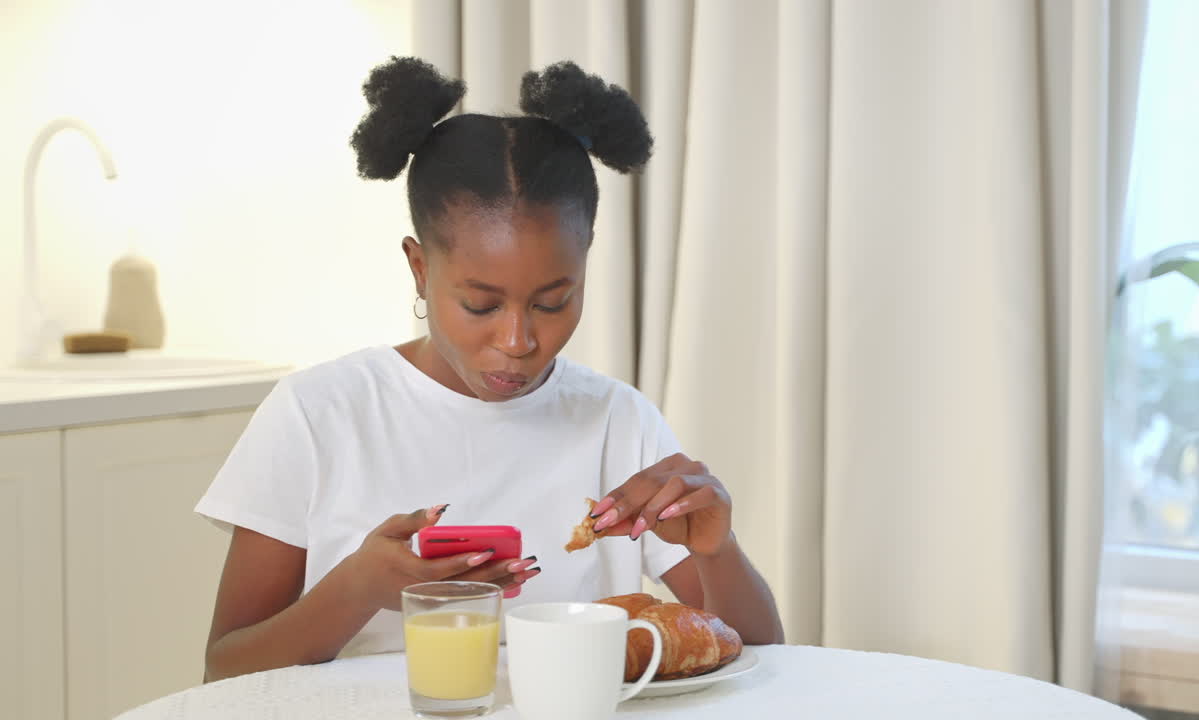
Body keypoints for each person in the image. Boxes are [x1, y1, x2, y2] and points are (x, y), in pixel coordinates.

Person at [198, 57, 784, 682]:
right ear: (420, 269)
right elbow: (226, 671)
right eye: (481, 304)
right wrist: (359, 586)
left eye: (553, 302)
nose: (518, 340)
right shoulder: (319, 414)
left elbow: (765, 656)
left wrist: (716, 550)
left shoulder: (616, 420)